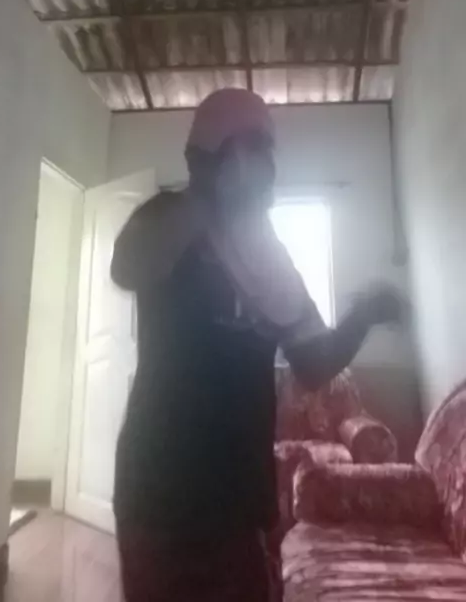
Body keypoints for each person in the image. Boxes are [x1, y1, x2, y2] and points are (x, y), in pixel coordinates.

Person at [111, 88, 404, 602]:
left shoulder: (271, 256)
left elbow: (313, 364)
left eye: (266, 150)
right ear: (207, 153)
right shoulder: (166, 219)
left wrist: (362, 316)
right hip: (158, 494)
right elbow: (127, 266)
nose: (264, 165)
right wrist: (208, 195)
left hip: (240, 501)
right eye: (248, 146)